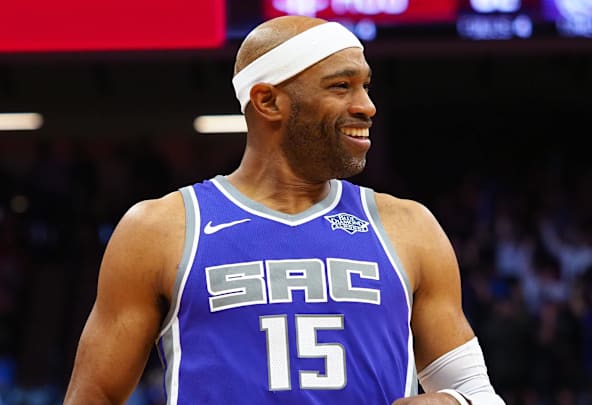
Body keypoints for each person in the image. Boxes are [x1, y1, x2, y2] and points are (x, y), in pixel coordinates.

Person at [64, 15, 505, 405]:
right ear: (268, 102)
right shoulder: (161, 228)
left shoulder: (409, 226)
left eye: (365, 86)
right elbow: (93, 396)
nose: (366, 106)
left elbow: (478, 392)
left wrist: (453, 403)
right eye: (341, 86)